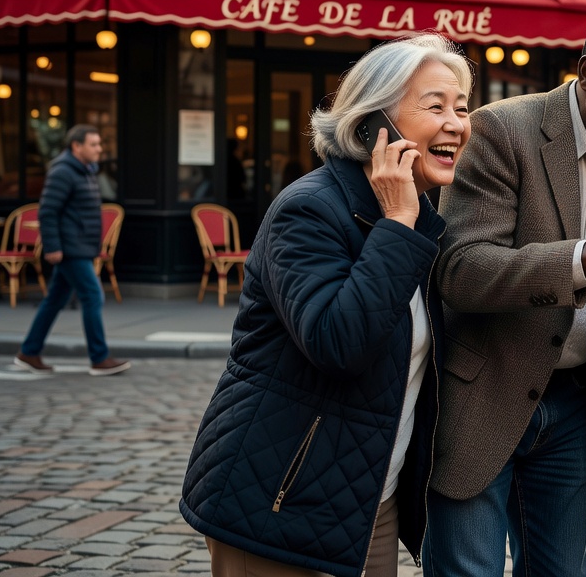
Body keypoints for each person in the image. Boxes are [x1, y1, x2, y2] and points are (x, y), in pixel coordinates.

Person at [179, 34, 473, 576]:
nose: (457, 123)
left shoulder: (420, 220)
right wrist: (397, 224)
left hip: (368, 502)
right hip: (275, 499)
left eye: (462, 107)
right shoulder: (309, 210)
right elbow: (340, 343)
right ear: (372, 125)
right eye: (436, 107)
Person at [424, 10, 586, 577]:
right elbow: (461, 271)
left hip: (572, 406)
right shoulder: (500, 130)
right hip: (481, 396)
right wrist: (585, 256)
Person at [13, 125, 131, 377]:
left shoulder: (85, 171)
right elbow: (48, 211)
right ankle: (99, 358)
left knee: (55, 299)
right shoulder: (63, 172)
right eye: (93, 144)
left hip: (80, 246)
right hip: (69, 248)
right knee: (93, 295)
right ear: (76, 146)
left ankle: (29, 352)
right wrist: (53, 247)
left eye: (99, 144)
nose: (99, 149)